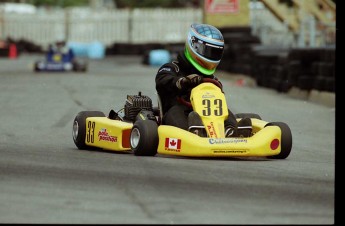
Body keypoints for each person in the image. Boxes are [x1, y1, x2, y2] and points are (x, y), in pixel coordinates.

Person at [155, 23, 252, 137]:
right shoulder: (172, 68)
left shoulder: (211, 78)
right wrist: (182, 82)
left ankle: (230, 131)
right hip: (178, 112)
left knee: (225, 111)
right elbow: (162, 81)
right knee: (176, 112)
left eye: (214, 52)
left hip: (208, 115)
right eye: (207, 50)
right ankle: (193, 133)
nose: (210, 56)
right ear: (193, 45)